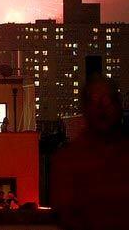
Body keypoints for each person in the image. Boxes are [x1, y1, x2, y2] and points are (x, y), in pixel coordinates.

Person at [51, 75, 129, 230]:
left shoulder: (68, 160)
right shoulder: (69, 161)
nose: (101, 109)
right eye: (94, 101)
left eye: (107, 100)